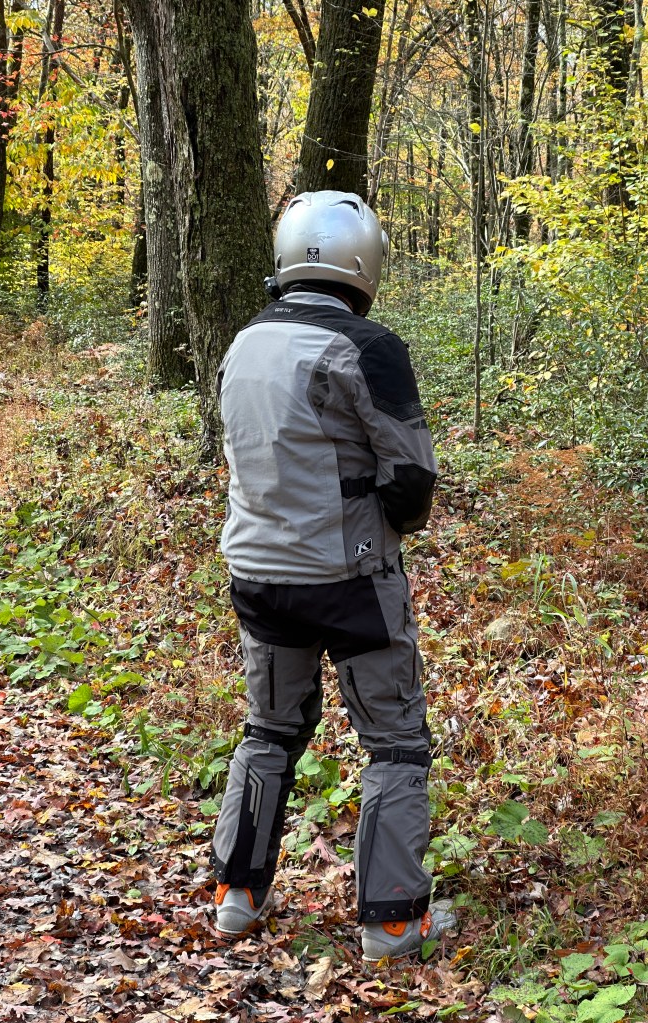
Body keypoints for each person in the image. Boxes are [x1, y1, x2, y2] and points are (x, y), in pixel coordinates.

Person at [210, 190, 455, 960]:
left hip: (257, 574)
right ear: (362, 261)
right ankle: (391, 923)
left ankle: (237, 897)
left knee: (269, 730)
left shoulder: (244, 342)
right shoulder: (369, 347)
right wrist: (383, 524)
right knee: (396, 743)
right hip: (351, 581)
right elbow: (412, 479)